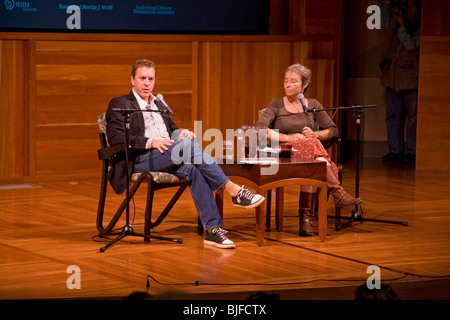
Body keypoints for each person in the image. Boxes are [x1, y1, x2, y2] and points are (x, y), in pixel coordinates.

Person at [105, 59, 264, 249]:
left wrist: (181, 133)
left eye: (151, 79)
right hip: (140, 158)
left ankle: (213, 231)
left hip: (167, 154)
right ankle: (234, 191)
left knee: (193, 169)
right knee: (187, 147)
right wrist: (151, 142)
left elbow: (171, 129)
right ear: (132, 80)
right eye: (142, 78)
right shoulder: (120, 103)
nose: (147, 83)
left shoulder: (159, 103)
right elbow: (115, 138)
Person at [257, 63, 362, 237]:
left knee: (314, 161)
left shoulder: (312, 104)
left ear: (304, 85)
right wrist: (290, 138)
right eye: (285, 81)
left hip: (307, 154)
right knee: (315, 156)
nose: (287, 85)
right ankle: (336, 195)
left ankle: (306, 221)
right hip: (283, 152)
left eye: (292, 81)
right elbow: (259, 129)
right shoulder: (276, 104)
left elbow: (333, 130)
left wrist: (315, 134)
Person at [380, 0, 421, 164]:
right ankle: (395, 151)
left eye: (410, 6)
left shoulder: (421, 28)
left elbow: (411, 45)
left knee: (413, 118)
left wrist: (402, 25)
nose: (407, 10)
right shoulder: (396, 26)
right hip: (393, 80)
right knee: (393, 117)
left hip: (412, 82)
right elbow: (382, 18)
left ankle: (412, 152)